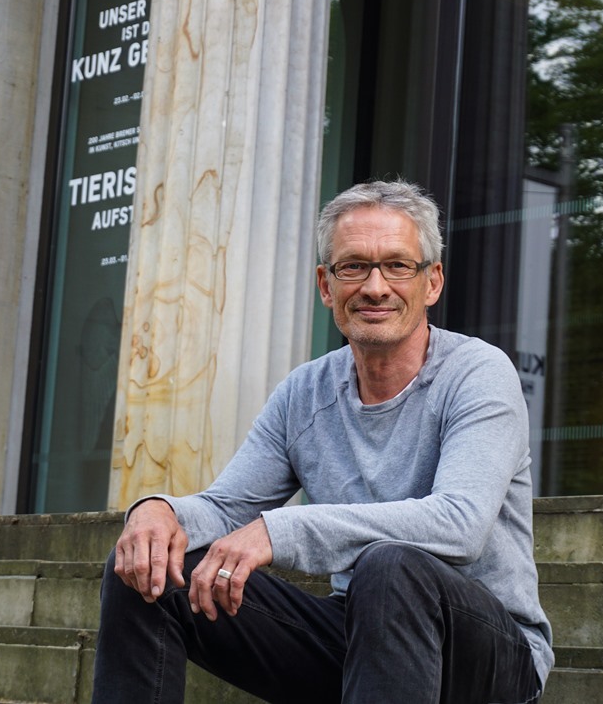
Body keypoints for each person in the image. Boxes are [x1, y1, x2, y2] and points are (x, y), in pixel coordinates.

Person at [92, 180, 554, 703]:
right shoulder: (304, 392)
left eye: (398, 266)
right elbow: (227, 507)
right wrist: (158, 512)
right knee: (152, 568)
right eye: (353, 266)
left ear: (432, 282)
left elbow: (460, 524)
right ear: (325, 285)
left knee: (390, 567)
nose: (375, 287)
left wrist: (277, 530)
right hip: (361, 640)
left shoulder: (478, 373)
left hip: (489, 657)